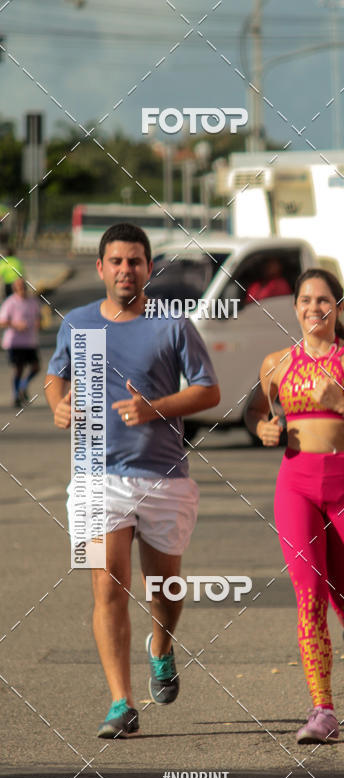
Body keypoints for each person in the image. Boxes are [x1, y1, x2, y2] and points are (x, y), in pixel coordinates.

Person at [45, 223, 220, 738]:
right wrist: (58, 406)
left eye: (135, 261)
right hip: (96, 479)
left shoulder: (173, 324)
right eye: (116, 261)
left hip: (163, 478)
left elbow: (208, 391)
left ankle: (160, 647)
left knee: (164, 589)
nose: (126, 270)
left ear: (149, 268)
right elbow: (57, 374)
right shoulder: (77, 324)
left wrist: (154, 409)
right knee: (107, 585)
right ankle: (121, 702)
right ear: (100, 268)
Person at [245, 268, 344, 744]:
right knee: (310, 595)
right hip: (296, 488)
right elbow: (256, 409)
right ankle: (323, 710)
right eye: (306, 300)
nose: (314, 308)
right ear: (294, 307)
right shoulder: (275, 363)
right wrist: (262, 429)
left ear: (338, 308)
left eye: (324, 301)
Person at [0, 277, 40, 407]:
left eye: (23, 287)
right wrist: (16, 325)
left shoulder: (33, 302)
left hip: (30, 341)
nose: (22, 289)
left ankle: (23, 385)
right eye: (19, 287)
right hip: (15, 341)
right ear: (15, 289)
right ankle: (16, 395)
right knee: (19, 369)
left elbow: (38, 317)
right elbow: (2, 321)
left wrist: (38, 323)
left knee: (36, 367)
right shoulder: (10, 303)